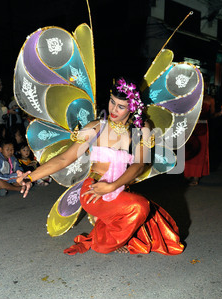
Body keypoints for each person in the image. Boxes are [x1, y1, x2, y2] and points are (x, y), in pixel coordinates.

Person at [17, 77, 185, 256]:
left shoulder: (140, 129)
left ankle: (104, 230)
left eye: (121, 106)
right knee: (140, 207)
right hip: (94, 190)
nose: (113, 109)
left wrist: (112, 186)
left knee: (155, 221)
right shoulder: (97, 127)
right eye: (112, 102)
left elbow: (139, 165)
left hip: (118, 190)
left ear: (132, 107)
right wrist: (30, 177)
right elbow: (64, 159)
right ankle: (101, 242)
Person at [184, 81, 222, 186]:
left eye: (205, 84)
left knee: (200, 152)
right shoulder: (189, 96)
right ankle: (187, 174)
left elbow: (212, 115)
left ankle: (196, 177)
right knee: (188, 151)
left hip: (202, 127)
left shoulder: (209, 99)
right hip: (190, 126)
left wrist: (220, 113)